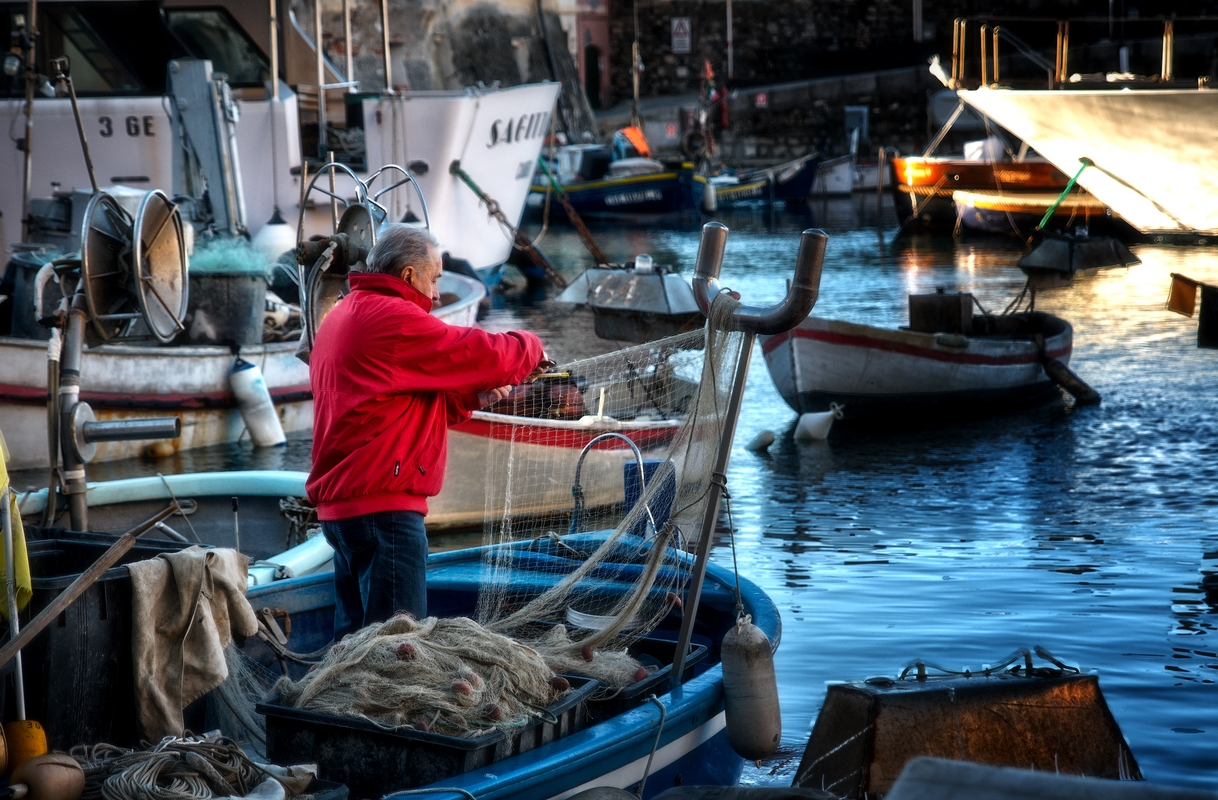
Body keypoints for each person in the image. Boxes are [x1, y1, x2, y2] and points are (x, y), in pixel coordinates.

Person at [307, 224, 547, 640]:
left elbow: (387, 405)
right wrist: (532, 347)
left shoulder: (344, 313)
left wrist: (474, 399)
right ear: (407, 277)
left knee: (351, 651)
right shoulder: (393, 318)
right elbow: (480, 352)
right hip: (383, 513)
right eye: (434, 279)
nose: (436, 295)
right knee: (397, 655)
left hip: (344, 512)